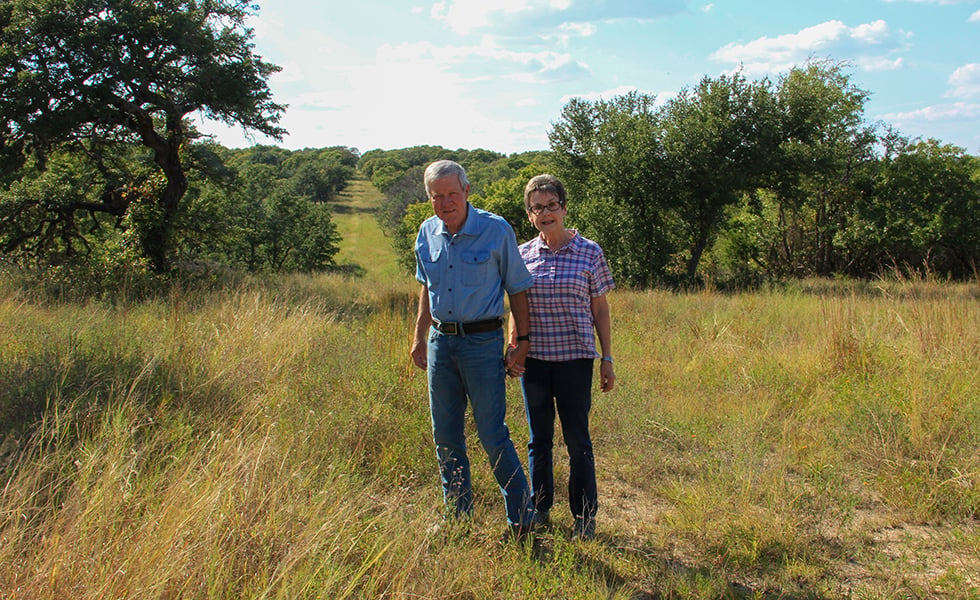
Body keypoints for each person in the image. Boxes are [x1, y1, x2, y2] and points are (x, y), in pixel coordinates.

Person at [411, 159, 536, 537]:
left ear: (466, 191)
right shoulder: (426, 232)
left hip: (482, 344)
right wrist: (418, 338)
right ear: (429, 198)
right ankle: (457, 517)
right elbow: (425, 290)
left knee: (491, 433)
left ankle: (522, 518)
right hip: (440, 344)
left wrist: (522, 343)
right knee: (445, 433)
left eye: (452, 193)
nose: (446, 202)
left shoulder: (495, 230)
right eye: (437, 196)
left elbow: (517, 289)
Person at [507, 174, 615, 541]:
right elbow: (516, 306)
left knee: (577, 439)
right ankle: (540, 509)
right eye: (537, 207)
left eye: (552, 205)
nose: (545, 213)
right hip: (534, 362)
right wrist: (513, 346)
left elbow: (600, 309)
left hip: (575, 359)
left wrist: (607, 357)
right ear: (529, 215)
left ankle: (584, 515)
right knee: (539, 439)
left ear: (564, 208)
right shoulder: (521, 255)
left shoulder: (590, 252)